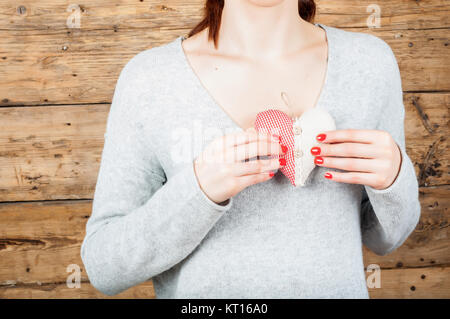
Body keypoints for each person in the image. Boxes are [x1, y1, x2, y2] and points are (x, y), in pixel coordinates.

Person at [81, 0, 421, 298]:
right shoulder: (148, 81)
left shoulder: (371, 65)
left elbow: (384, 240)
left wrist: (394, 178)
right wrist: (198, 191)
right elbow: (105, 268)